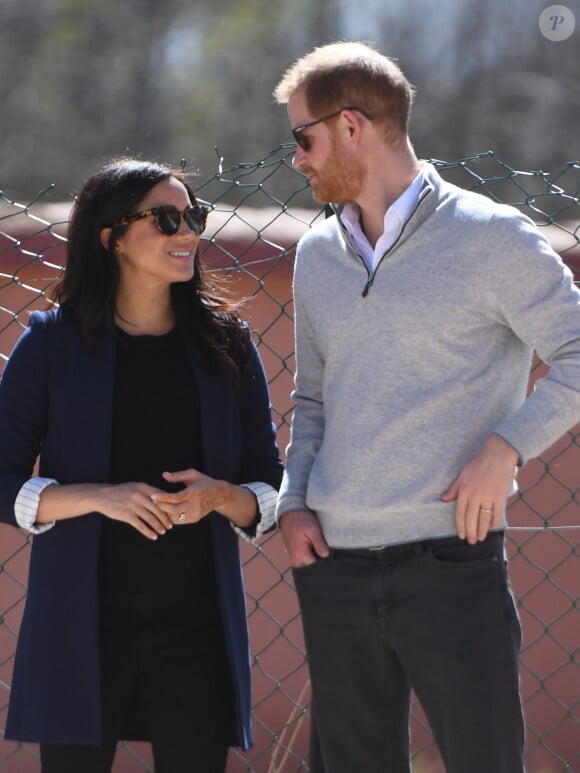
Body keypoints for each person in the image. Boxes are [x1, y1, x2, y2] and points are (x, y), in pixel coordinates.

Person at [273, 41, 580, 773]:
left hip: (452, 561)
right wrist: (294, 500)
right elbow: (312, 394)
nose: (298, 159)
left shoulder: (491, 237)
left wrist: (507, 445)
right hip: (335, 565)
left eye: (302, 138)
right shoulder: (316, 255)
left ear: (352, 127)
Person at [0, 158, 283, 772]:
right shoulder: (50, 344)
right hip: (82, 628)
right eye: (166, 219)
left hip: (196, 631)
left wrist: (217, 496)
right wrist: (99, 497)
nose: (188, 234)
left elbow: (269, 484)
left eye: (194, 218)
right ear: (113, 238)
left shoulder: (227, 344)